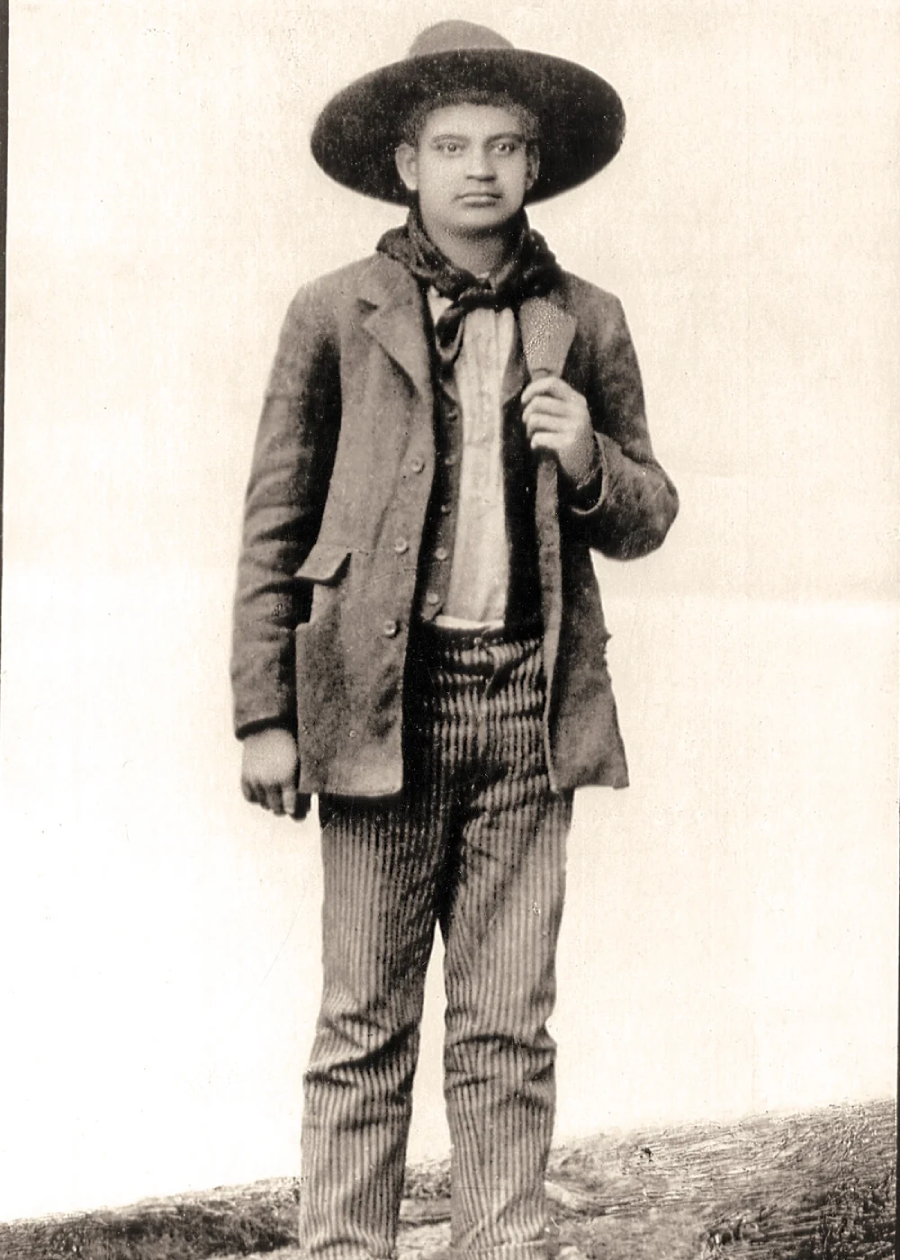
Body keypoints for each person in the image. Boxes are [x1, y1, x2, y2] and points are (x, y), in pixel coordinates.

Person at [231, 19, 678, 1260]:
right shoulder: (334, 312)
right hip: (382, 712)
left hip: (528, 712)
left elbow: (649, 515)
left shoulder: (586, 317)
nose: (479, 169)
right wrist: (265, 713)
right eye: (451, 147)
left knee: (506, 1024)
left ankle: (503, 1241)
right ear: (405, 166)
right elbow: (273, 522)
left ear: (537, 167)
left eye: (505, 147)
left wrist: (588, 459)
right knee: (363, 1023)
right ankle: (343, 1250)